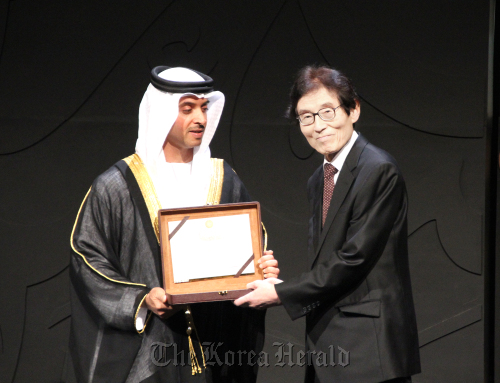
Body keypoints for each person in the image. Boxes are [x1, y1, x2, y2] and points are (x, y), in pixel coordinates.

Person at [69, 66, 279, 383]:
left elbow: (251, 241)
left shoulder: (223, 178)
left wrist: (262, 267)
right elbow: (87, 256)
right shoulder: (116, 186)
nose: (201, 119)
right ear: (162, 113)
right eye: (188, 108)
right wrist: (140, 299)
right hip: (150, 349)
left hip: (214, 347)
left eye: (204, 108)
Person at [235, 65, 421, 383]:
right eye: (306, 117)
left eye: (327, 112)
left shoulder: (378, 169)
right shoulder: (318, 179)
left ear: (354, 109)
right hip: (327, 347)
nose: (318, 126)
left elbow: (353, 258)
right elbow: (327, 259)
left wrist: (283, 293)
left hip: (368, 350)